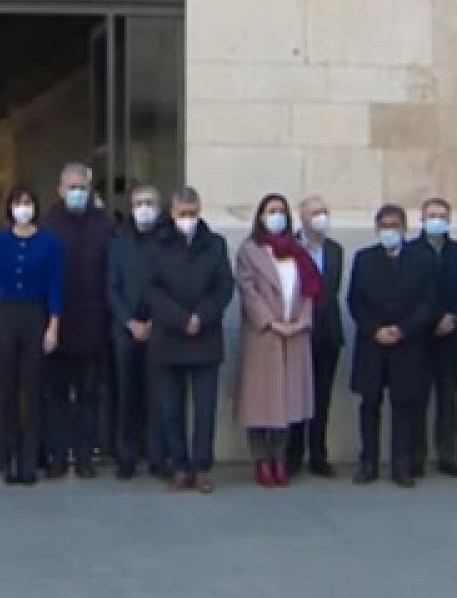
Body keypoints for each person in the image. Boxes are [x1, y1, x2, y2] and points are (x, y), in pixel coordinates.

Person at [146, 187, 234, 494]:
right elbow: (152, 290)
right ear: (172, 213)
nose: (188, 219)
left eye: (193, 213)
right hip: (168, 337)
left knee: (205, 409)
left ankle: (201, 467)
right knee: (170, 409)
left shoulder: (215, 245)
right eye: (183, 214)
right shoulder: (157, 245)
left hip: (205, 337)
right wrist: (181, 318)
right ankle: (179, 466)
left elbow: (224, 287)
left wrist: (201, 316)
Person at [347, 203, 438, 488]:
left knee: (404, 406)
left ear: (404, 228)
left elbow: (429, 302)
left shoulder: (422, 259)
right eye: (384, 227)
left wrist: (404, 329)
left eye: (394, 226)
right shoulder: (364, 259)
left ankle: (402, 464)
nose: (389, 232)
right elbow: (355, 301)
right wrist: (375, 329)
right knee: (369, 404)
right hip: (372, 344)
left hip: (407, 344)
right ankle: (368, 462)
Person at [0, 185, 63, 487]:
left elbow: (56, 286)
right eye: (18, 203)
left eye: (28, 203)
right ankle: (8, 455)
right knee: (6, 390)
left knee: (34, 387)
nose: (23, 208)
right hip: (6, 315)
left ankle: (30, 460)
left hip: (36, 315)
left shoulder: (50, 244)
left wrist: (53, 325)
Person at [236, 194, 318, 488]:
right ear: (260, 216)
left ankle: (279, 459)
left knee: (287, 403)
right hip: (264, 336)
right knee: (261, 403)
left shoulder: (298, 252)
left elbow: (310, 289)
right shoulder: (250, 250)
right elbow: (247, 290)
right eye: (271, 211)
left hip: (294, 334)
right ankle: (261, 459)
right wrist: (271, 322)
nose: (276, 216)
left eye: (281, 211)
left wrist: (300, 322)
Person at [41, 162, 113, 479]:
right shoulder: (47, 224)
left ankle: (85, 457)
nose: (77, 194)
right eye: (72, 188)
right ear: (59, 190)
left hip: (93, 324)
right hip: (56, 325)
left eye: (82, 188)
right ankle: (57, 456)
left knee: (88, 395)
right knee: (55, 395)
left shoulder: (104, 224)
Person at [106, 183, 168, 480]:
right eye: (139, 203)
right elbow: (112, 287)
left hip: (159, 330)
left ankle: (158, 455)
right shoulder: (119, 242)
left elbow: (172, 286)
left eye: (150, 203)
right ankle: (126, 456)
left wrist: (155, 321)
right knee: (126, 395)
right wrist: (129, 322)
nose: (144, 209)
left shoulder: (167, 242)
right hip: (125, 329)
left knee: (157, 396)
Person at [409, 198, 457, 479]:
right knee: (417, 400)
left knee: (448, 399)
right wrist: (428, 320)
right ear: (421, 219)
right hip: (419, 336)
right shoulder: (410, 251)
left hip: (450, 336)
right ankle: (415, 456)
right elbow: (409, 291)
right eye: (431, 215)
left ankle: (447, 455)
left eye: (441, 215)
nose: (436, 220)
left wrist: (453, 316)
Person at [286, 195, 345, 478]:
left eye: (324, 211)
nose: (321, 217)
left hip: (328, 332)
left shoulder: (335, 250)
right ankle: (293, 453)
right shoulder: (290, 248)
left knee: (322, 396)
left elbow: (331, 291)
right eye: (315, 213)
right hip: (299, 330)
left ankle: (318, 454)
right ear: (302, 217)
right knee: (297, 394)